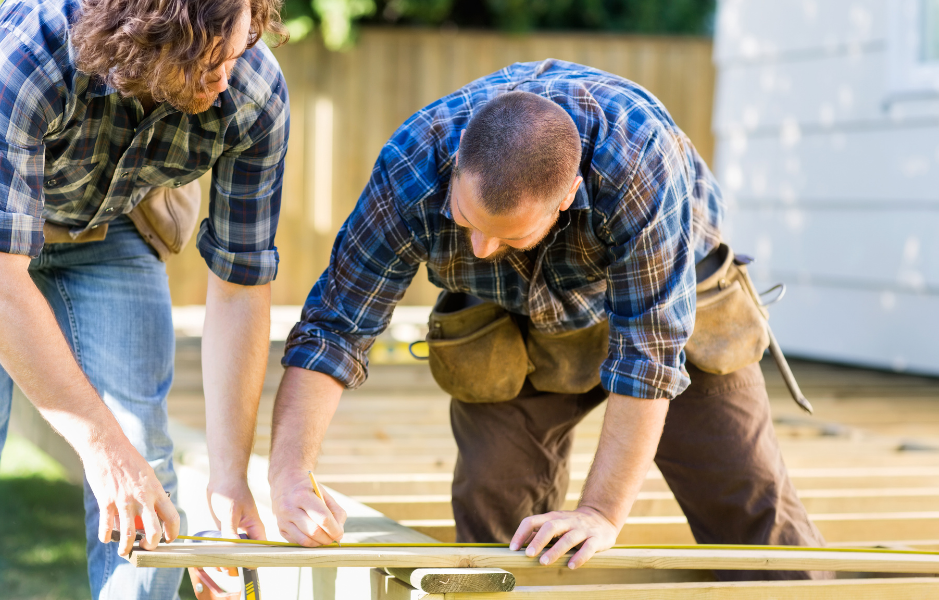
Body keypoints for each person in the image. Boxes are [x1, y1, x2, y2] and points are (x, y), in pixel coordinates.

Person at [262, 59, 829, 580]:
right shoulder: (412, 167)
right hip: (508, 316)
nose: (481, 247)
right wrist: (289, 475)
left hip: (675, 307)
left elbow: (649, 357)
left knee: (748, 502)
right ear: (457, 162)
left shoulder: (636, 160)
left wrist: (600, 513)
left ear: (567, 198)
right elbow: (335, 329)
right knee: (495, 516)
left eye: (509, 233)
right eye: (466, 217)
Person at [0, 0, 288, 597]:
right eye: (208, 64)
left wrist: (230, 480)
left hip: (109, 220)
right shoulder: (34, 47)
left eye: (235, 52)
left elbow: (240, 288)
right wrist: (103, 451)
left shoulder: (255, 93)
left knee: (144, 457)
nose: (226, 77)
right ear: (152, 41)